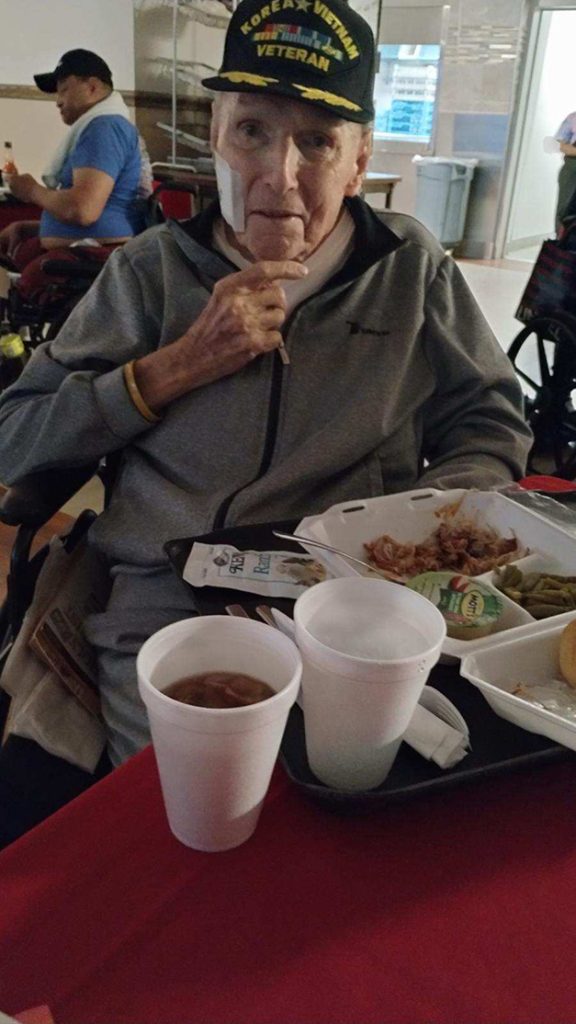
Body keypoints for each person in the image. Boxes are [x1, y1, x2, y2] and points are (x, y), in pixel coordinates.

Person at [0, 0, 532, 845]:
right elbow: (15, 435)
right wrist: (172, 367)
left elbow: (489, 416)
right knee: (201, 831)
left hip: (358, 605)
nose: (280, 175)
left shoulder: (409, 268)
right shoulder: (149, 273)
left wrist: (420, 529)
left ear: (358, 162)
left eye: (318, 141)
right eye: (253, 130)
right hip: (170, 601)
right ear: (215, 138)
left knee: (383, 830)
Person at [0, 48, 150, 298]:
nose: (58, 101)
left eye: (64, 89)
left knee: (14, 282)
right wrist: (31, 227)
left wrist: (32, 191)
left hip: (94, 256)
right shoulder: (103, 127)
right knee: (18, 250)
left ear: (92, 87)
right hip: (87, 244)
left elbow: (83, 210)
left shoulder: (103, 129)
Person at [554, 109, 576, 234]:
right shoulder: (573, 118)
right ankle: (562, 246)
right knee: (565, 209)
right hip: (572, 167)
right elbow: (559, 143)